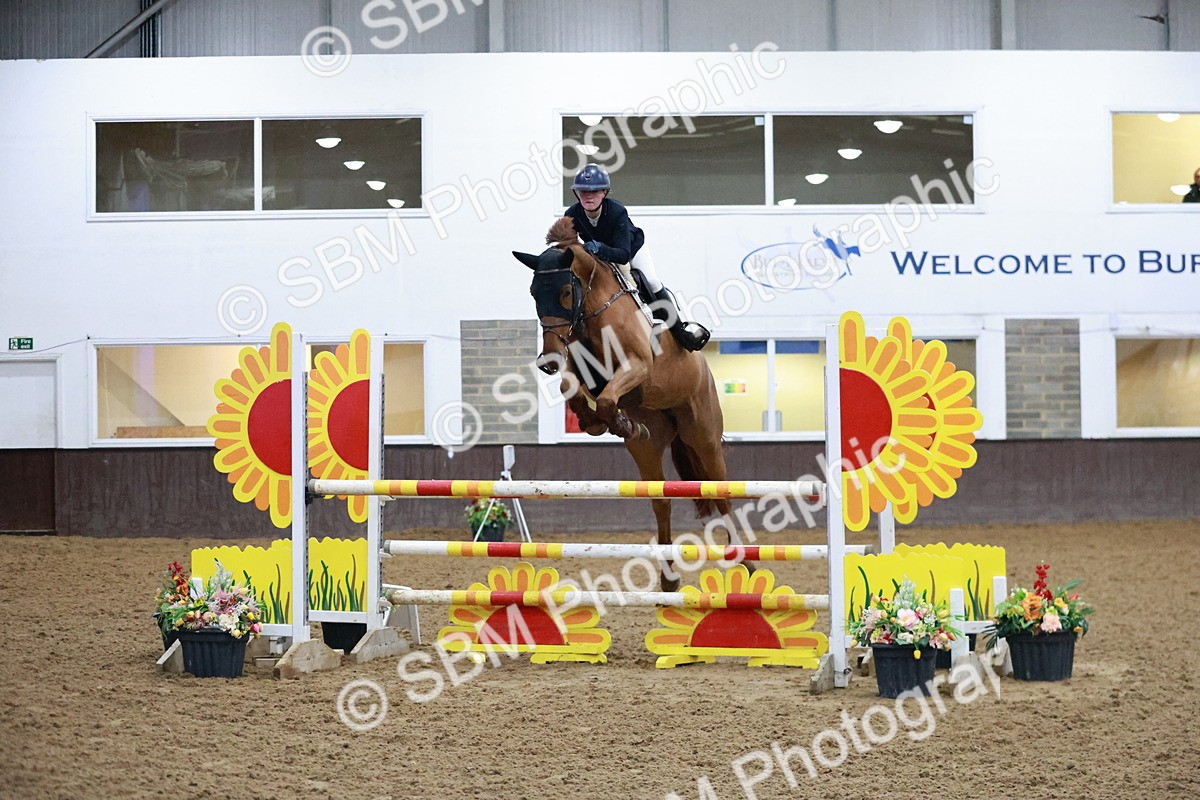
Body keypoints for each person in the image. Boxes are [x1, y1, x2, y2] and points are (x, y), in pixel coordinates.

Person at [564, 163, 710, 351]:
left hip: (630, 250)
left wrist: (599, 248)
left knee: (652, 280)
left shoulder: (617, 211)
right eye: (583, 192)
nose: (588, 196)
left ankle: (680, 331)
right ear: (577, 194)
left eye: (595, 191)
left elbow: (623, 255)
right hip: (598, 256)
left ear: (605, 192)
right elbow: (567, 244)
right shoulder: (572, 215)